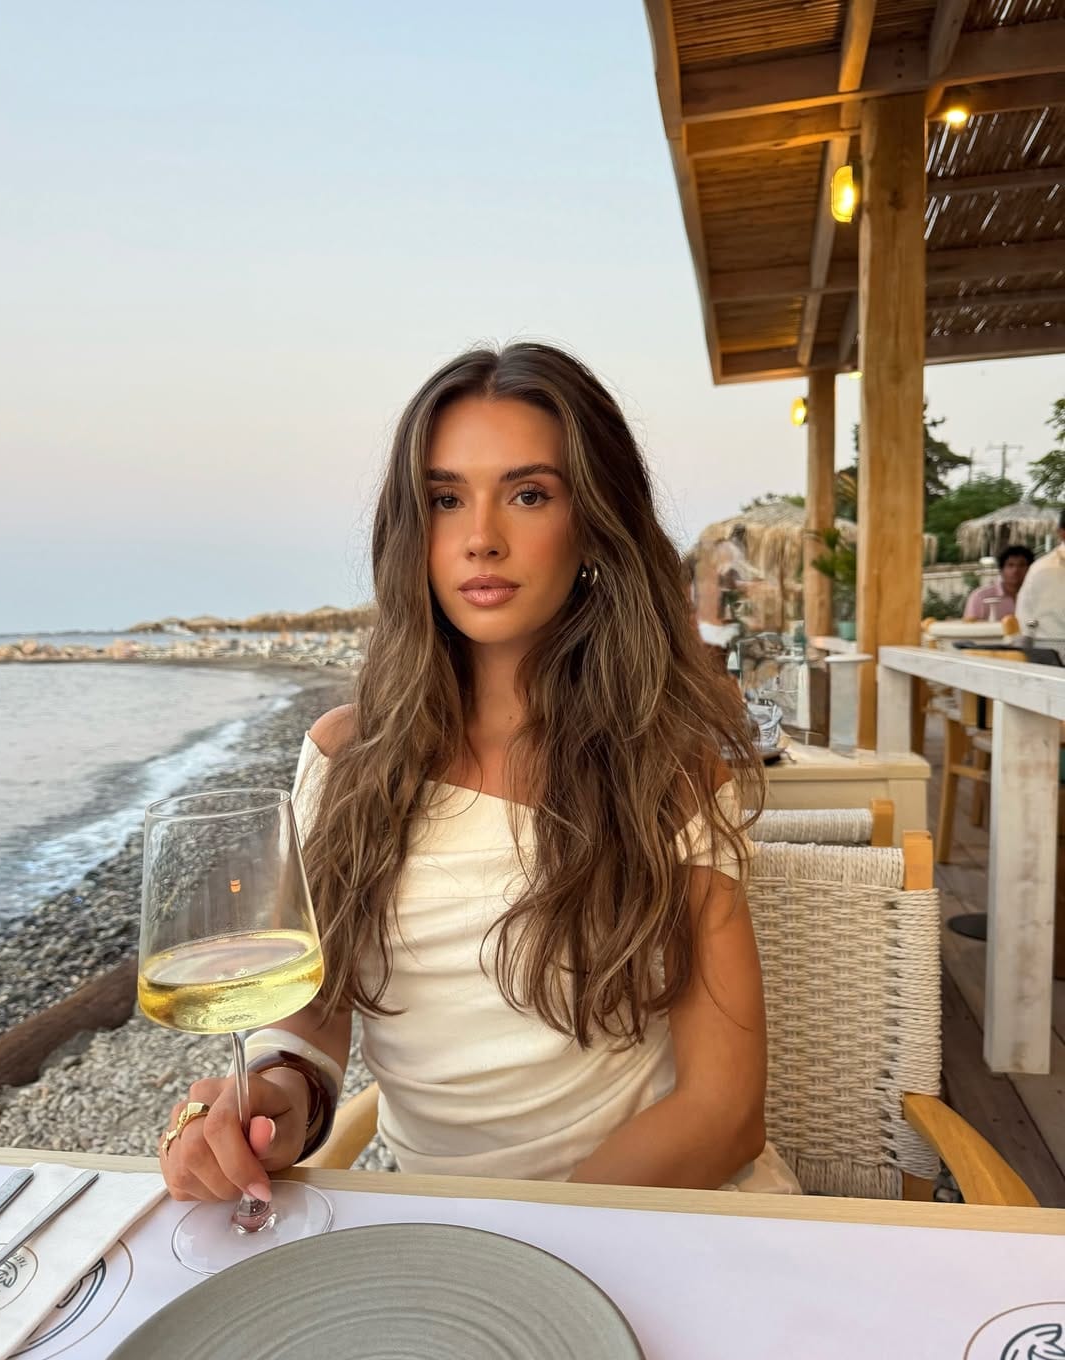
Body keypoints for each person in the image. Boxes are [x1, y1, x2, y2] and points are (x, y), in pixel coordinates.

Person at [157, 341, 799, 1203]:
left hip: (657, 1215)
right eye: (444, 499)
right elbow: (314, 1014)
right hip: (440, 1233)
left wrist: (520, 1238)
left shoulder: (668, 769)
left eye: (529, 494)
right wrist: (275, 1096)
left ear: (592, 525)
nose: (481, 538)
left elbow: (725, 1114)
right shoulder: (346, 759)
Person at [1017, 512, 1065, 652]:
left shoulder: (1039, 568)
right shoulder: (1043, 569)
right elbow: (1025, 620)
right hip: (1052, 648)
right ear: (1062, 533)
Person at [962, 545, 1033, 621]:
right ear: (1001, 570)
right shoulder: (980, 597)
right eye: (1010, 565)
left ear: (1031, 569)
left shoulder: (1037, 595)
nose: (1015, 570)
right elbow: (970, 629)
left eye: (1021, 565)